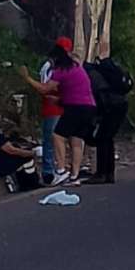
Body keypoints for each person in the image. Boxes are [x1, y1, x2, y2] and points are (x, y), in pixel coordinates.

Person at [20, 44, 96, 185]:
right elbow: (75, 92)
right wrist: (56, 100)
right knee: (76, 140)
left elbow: (44, 89)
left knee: (57, 136)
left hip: (75, 108)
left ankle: (61, 171)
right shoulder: (77, 68)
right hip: (89, 107)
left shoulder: (60, 71)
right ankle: (75, 175)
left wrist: (27, 78)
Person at [83, 45, 130, 184]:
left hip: (110, 106)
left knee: (102, 139)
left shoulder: (91, 75)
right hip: (120, 104)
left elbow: (95, 96)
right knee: (108, 139)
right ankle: (109, 174)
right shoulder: (105, 72)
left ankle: (101, 173)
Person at [39, 36, 73, 184]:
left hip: (61, 106)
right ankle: (48, 171)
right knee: (50, 140)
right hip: (52, 107)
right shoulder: (49, 66)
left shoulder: (61, 66)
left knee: (59, 140)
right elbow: (45, 87)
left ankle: (60, 168)